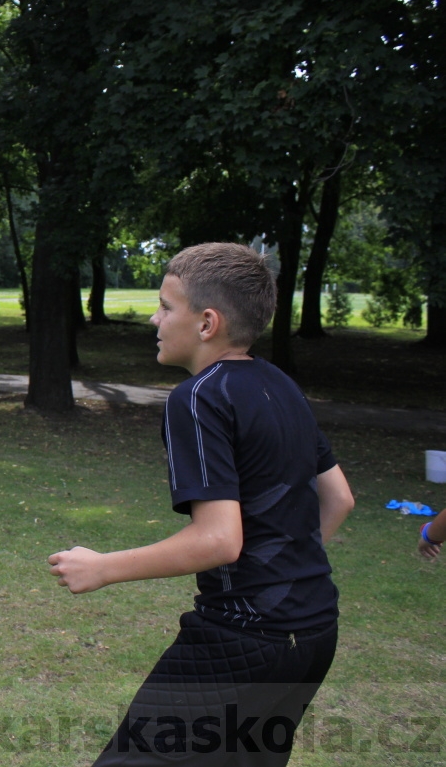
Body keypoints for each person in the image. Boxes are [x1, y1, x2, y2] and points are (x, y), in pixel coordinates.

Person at [47, 242, 355, 766]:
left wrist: (102, 568)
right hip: (314, 633)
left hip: (239, 644)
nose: (154, 318)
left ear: (207, 322)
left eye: (167, 307)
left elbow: (219, 539)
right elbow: (340, 498)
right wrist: (280, 577)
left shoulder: (198, 397)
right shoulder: (280, 384)